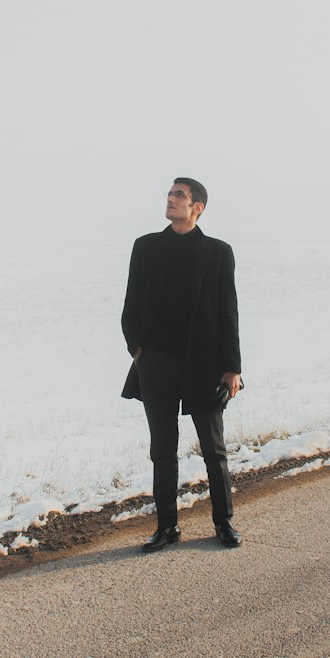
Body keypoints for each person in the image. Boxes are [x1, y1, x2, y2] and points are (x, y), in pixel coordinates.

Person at [121, 177, 244, 551]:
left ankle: (223, 523)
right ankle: (167, 527)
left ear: (197, 208)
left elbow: (228, 312)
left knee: (214, 449)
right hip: (156, 365)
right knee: (162, 450)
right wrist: (138, 352)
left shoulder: (218, 252)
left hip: (203, 366)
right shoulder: (146, 247)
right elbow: (131, 304)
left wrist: (232, 367)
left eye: (180, 196)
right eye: (170, 194)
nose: (171, 199)